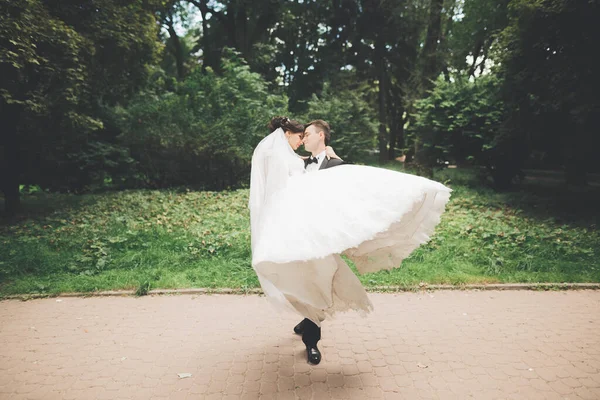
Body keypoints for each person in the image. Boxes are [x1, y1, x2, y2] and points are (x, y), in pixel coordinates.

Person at [249, 116, 451, 365]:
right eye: (301, 136)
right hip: (300, 233)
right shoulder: (295, 162)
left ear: (320, 136)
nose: (303, 140)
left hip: (322, 236)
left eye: (308, 135)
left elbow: (350, 198)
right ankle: (309, 326)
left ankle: (311, 334)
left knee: (320, 278)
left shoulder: (336, 164)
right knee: (305, 278)